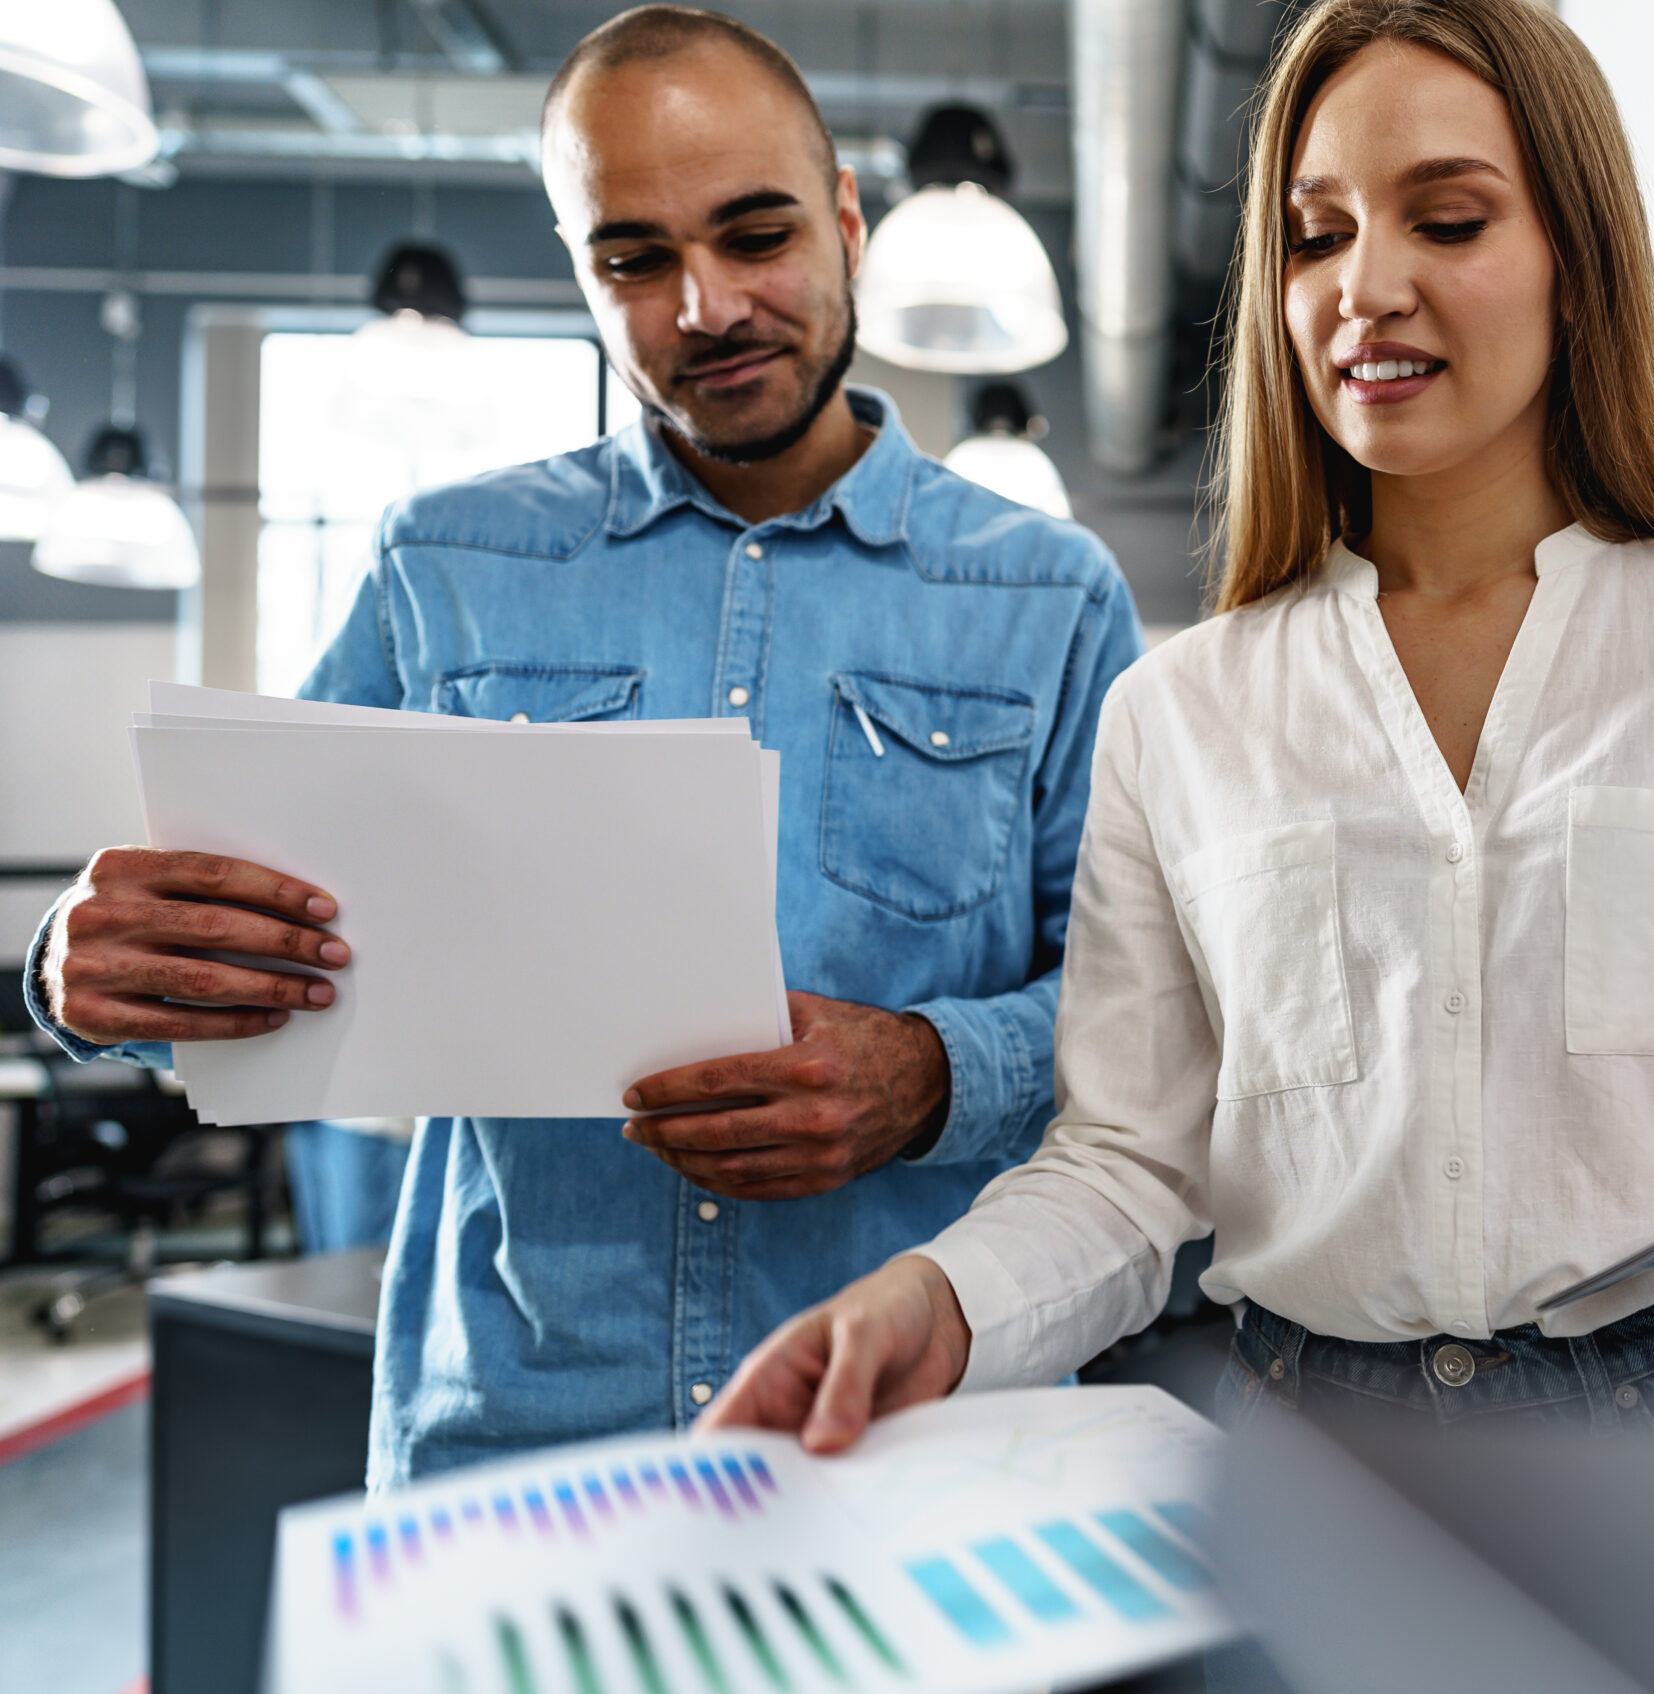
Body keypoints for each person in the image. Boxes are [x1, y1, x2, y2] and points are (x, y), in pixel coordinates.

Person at [703, 0, 1654, 1453]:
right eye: (1318, 235)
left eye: (1447, 222)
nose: (1366, 286)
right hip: (1318, 1459)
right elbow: (1126, 1169)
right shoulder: (1176, 714)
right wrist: (928, 1301)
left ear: (1576, 263)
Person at [21, 6, 1142, 1485]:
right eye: (635, 258)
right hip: (514, 1434)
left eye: (757, 234)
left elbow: (1148, 1029)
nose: (707, 306)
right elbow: (256, 952)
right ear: (580, 268)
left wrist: (938, 1073)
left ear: (850, 220)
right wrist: (82, 969)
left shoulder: (1048, 597)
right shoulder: (446, 563)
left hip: (914, 1453)